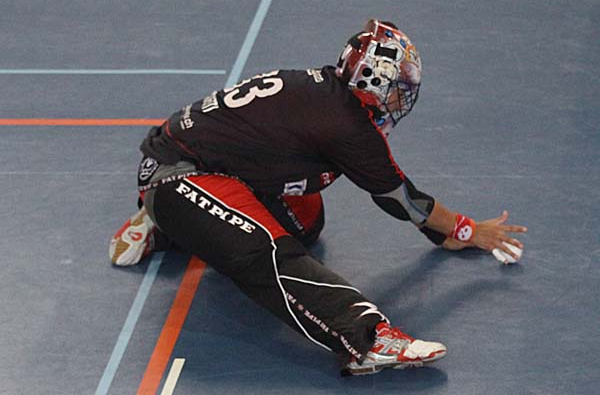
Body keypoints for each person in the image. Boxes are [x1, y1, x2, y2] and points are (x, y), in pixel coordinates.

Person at [109, 19, 527, 375]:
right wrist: (465, 229)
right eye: (399, 89)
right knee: (269, 251)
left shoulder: (326, 91)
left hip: (207, 165)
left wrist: (439, 233)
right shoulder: (347, 125)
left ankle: (166, 227)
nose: (403, 99)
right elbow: (401, 198)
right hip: (178, 175)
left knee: (306, 220)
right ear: (373, 81)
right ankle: (368, 340)